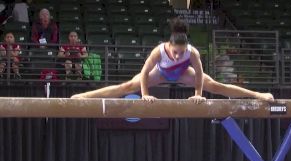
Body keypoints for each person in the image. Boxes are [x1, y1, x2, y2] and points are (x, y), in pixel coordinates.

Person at [71, 18, 274, 103]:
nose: (178, 55)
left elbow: (200, 76)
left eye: (181, 52)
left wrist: (198, 95)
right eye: (175, 52)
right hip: (161, 73)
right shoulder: (158, 52)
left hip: (183, 74)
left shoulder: (192, 53)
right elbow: (144, 74)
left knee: (215, 85)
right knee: (126, 86)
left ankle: (258, 95)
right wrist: (145, 95)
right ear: (169, 45)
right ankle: (84, 97)